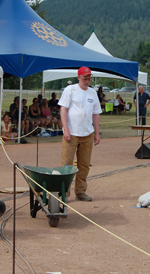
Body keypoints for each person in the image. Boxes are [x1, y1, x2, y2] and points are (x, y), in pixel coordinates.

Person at [59, 66, 101, 201]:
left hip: (87, 133)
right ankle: (64, 192)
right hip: (71, 133)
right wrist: (66, 129)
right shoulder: (70, 90)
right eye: (85, 78)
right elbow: (63, 110)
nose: (87, 81)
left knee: (84, 164)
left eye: (89, 78)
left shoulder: (92, 93)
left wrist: (97, 133)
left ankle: (81, 191)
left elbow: (96, 114)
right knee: (67, 163)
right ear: (78, 77)